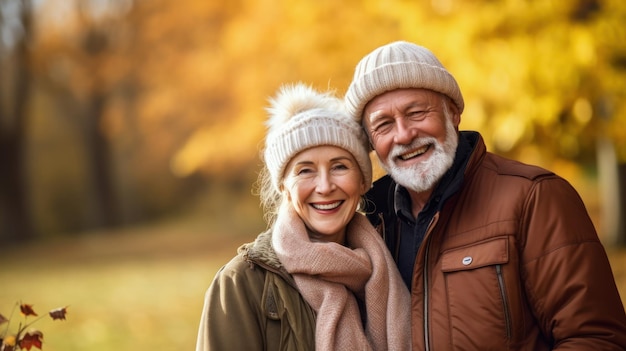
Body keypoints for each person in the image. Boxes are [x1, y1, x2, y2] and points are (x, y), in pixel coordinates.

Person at [343, 40, 626, 350]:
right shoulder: (369, 224)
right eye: (384, 125)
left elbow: (597, 339)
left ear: (452, 112)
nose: (404, 134)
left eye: (416, 112)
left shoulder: (534, 197)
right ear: (371, 142)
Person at [195, 83, 411, 351]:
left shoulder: (395, 263)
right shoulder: (241, 284)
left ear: (363, 180)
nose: (324, 186)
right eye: (305, 171)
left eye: (339, 166)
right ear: (284, 187)